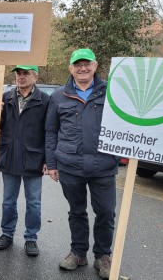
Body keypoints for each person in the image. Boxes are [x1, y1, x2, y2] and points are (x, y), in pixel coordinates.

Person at [45, 48, 118, 279]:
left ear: (96, 66)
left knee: (105, 212)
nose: (83, 68)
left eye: (87, 64)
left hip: (103, 165)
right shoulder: (58, 96)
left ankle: (102, 256)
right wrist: (51, 163)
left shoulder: (112, 92)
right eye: (78, 64)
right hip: (70, 165)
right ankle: (78, 252)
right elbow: (50, 131)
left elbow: (126, 124)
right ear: (71, 69)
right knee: (76, 211)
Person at [0, 65, 49, 256]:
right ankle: (7, 233)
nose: (21, 77)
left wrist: (49, 159)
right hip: (9, 157)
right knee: (8, 201)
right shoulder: (5, 98)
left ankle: (31, 238)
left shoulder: (45, 100)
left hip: (34, 159)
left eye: (26, 73)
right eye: (18, 74)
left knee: (34, 203)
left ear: (35, 76)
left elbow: (50, 132)